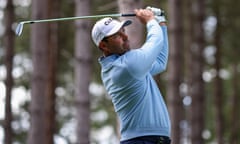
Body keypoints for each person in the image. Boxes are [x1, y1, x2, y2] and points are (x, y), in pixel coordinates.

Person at [91, 6, 171, 144]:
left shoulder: (126, 65)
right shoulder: (127, 66)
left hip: (151, 139)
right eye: (117, 35)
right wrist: (151, 21)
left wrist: (161, 23)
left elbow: (160, 62)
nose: (125, 36)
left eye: (123, 30)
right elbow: (155, 43)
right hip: (140, 140)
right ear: (104, 46)